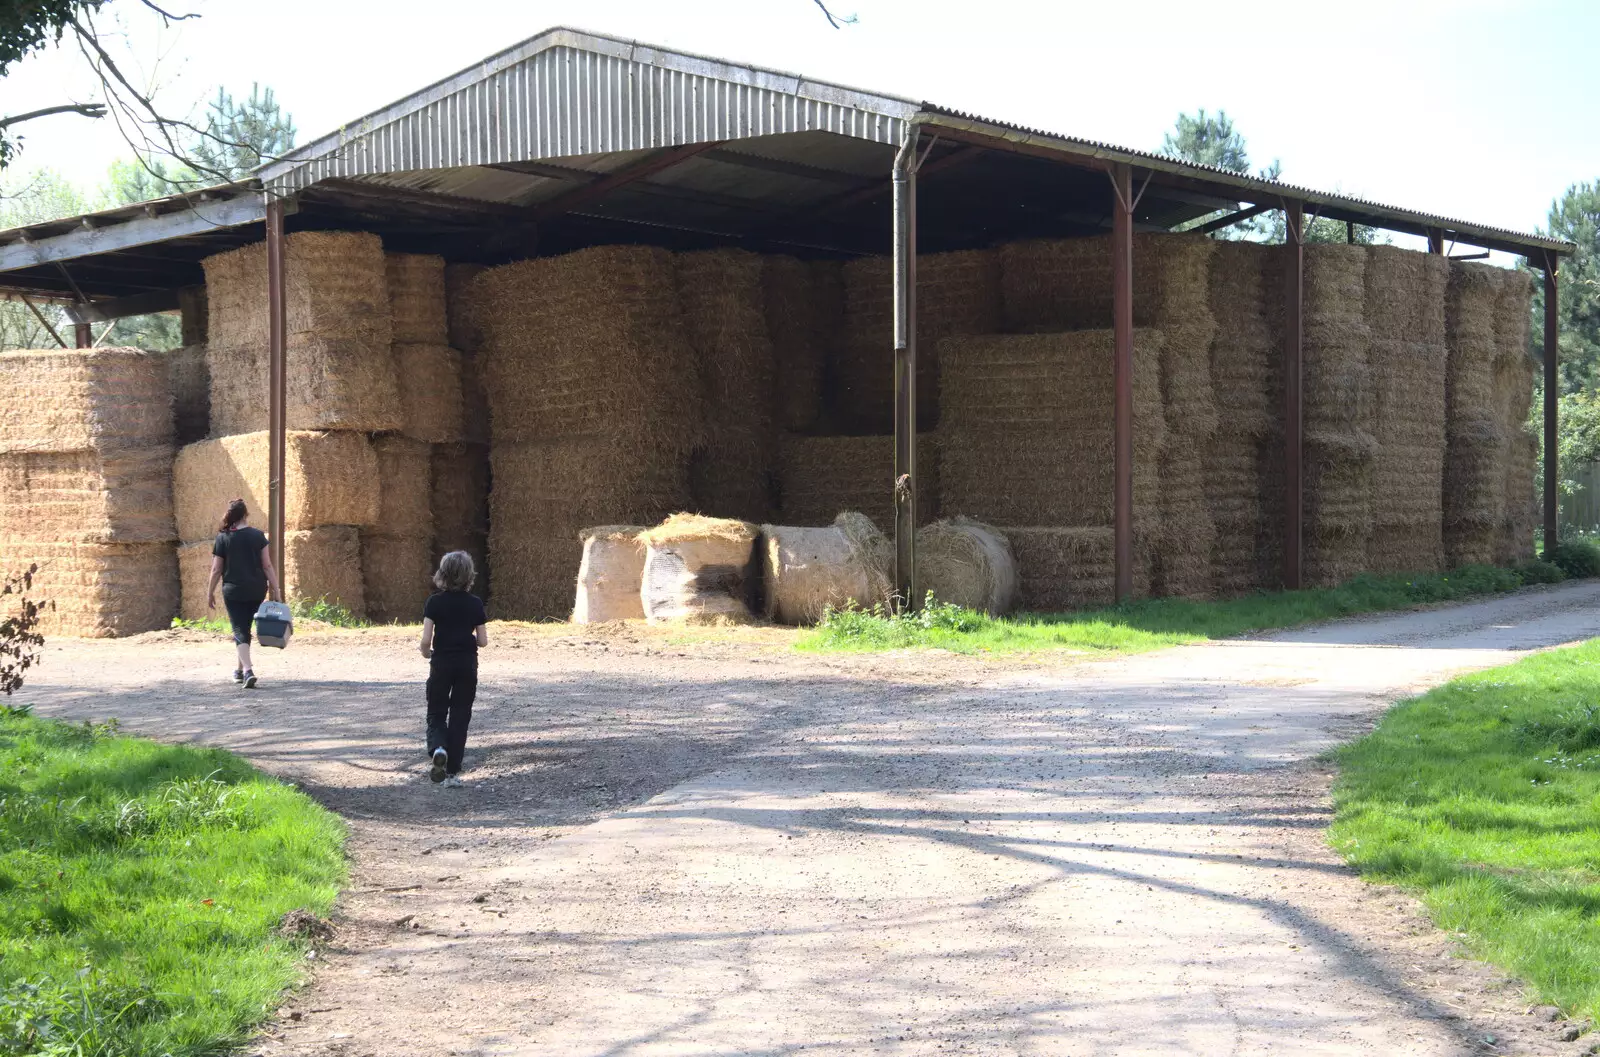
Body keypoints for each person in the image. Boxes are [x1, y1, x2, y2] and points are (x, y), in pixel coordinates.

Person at [420, 551, 488, 787]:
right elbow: (483, 640)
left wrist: (425, 652)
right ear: (469, 575)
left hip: (441, 664)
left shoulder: (434, 602)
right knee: (461, 712)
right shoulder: (476, 603)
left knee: (437, 711)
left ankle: (439, 747)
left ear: (442, 574)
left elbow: (426, 640)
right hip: (467, 664)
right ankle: (453, 765)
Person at [206, 498, 281, 689]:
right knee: (245, 628)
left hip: (234, 590)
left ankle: (247, 670)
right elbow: (267, 565)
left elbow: (216, 570)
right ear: (246, 514)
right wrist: (276, 589)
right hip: (257, 589)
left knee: (239, 629)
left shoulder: (223, 537)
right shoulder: (257, 535)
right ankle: (239, 671)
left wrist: (210, 592)